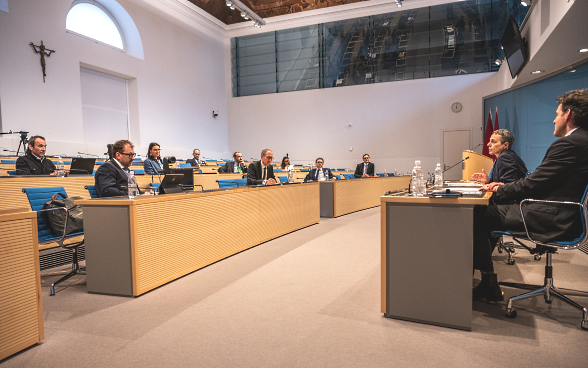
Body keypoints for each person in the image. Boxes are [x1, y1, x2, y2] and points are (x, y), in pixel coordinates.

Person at [472, 89, 588, 302]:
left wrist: (498, 188)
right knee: (482, 212)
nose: (553, 120)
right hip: (562, 213)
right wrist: (498, 185)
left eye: (556, 114)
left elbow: (533, 185)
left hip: (550, 217)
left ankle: (488, 283)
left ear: (568, 115)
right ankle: (485, 279)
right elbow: (541, 181)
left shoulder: (569, 144)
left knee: (474, 216)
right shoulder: (581, 142)